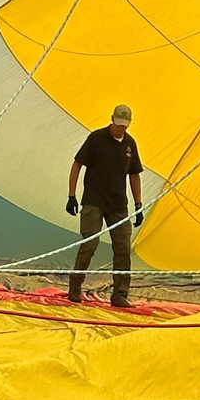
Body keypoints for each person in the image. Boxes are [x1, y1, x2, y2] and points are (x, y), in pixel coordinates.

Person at [65, 104, 144, 307]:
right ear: (112, 119)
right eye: (118, 124)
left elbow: (134, 175)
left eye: (124, 126)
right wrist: (72, 195)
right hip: (94, 200)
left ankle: (120, 294)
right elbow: (77, 164)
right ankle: (75, 286)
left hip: (118, 204)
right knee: (90, 244)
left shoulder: (130, 144)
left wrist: (138, 205)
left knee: (123, 248)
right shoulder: (97, 138)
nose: (121, 129)